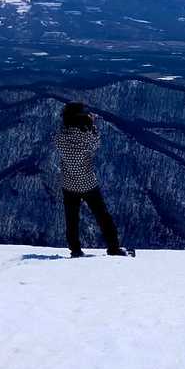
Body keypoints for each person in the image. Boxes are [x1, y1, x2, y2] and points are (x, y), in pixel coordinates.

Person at [54, 101, 125, 257]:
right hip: (88, 183)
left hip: (68, 183)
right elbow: (96, 142)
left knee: (71, 219)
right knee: (102, 215)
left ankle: (75, 249)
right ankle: (113, 247)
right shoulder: (87, 136)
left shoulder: (60, 137)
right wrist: (91, 124)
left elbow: (61, 136)